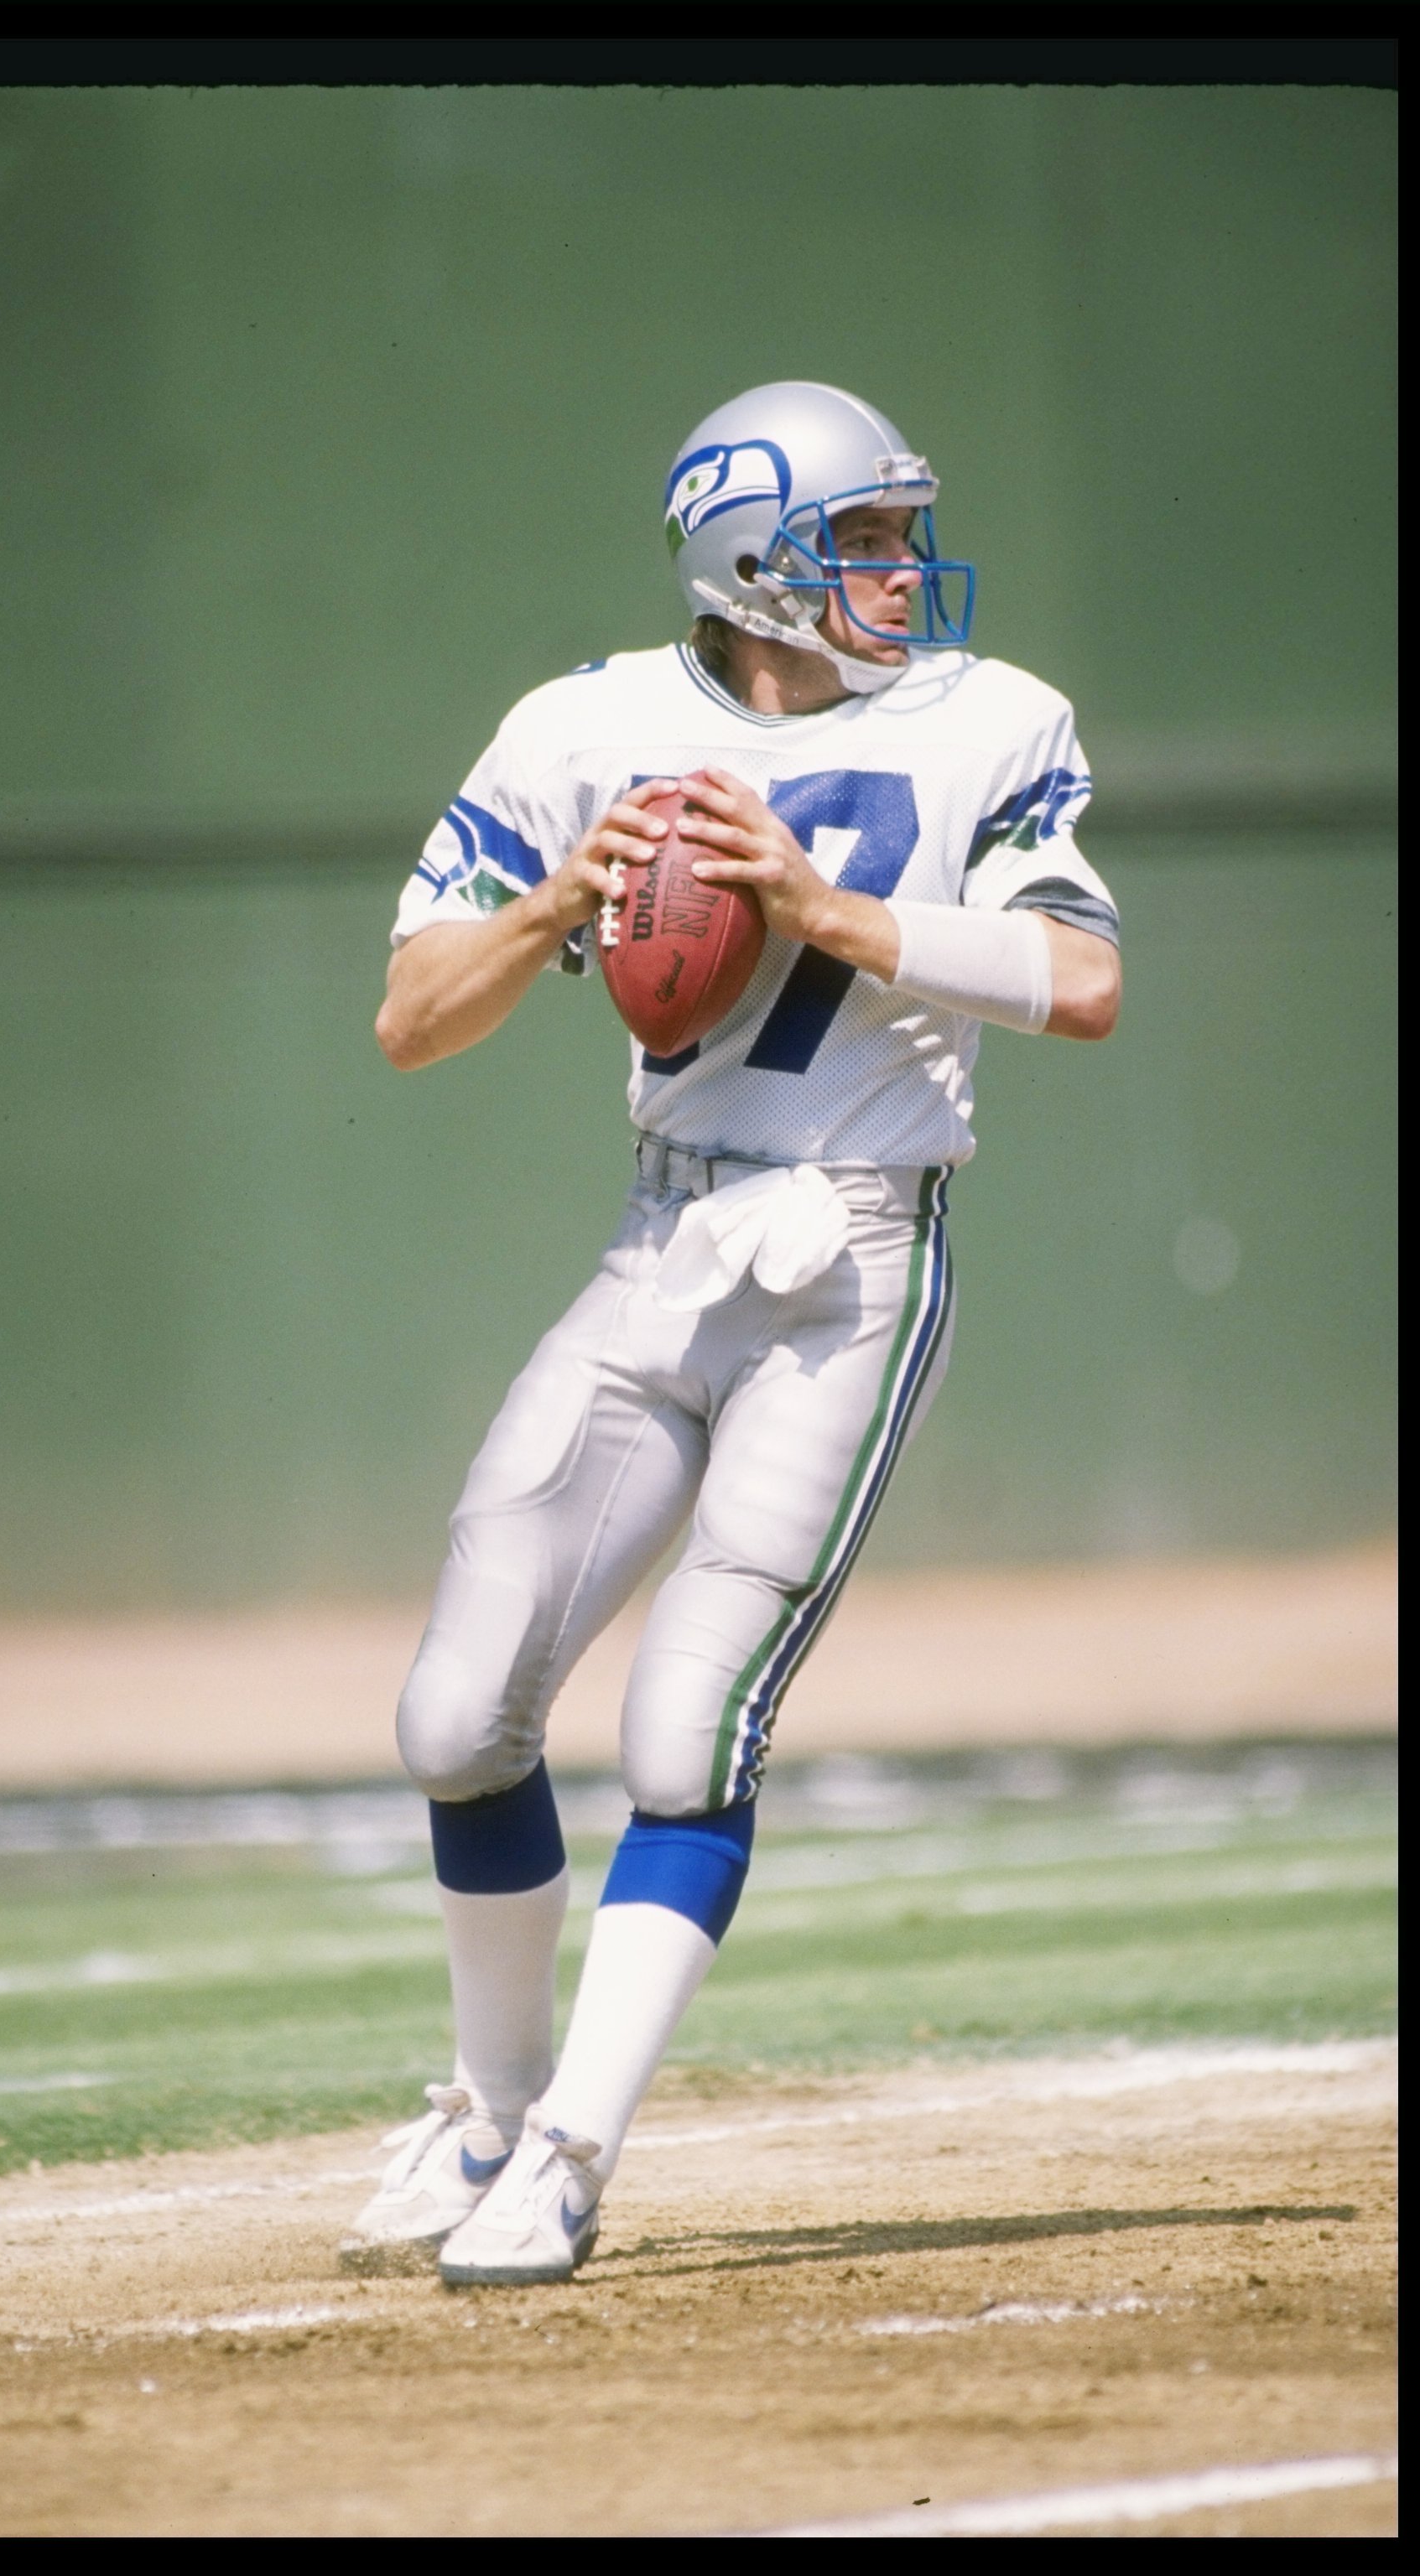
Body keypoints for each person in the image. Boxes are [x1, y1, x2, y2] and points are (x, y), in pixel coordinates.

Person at [342, 380, 1121, 2286]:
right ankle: (490, 2110)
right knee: (456, 1714)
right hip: (663, 1241)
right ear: (747, 557)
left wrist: (826, 909)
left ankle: (579, 2158)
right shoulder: (582, 726)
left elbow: (1084, 982)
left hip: (853, 1261)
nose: (898, 572)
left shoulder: (989, 717)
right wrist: (556, 903)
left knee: (687, 1728)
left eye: (894, 535)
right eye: (862, 538)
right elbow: (409, 1021)